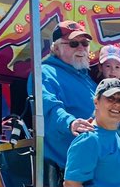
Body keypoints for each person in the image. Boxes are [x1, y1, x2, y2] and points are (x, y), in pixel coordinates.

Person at [35, 20, 96, 169]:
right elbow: (47, 107)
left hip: (96, 161)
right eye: (73, 44)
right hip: (68, 168)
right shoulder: (44, 72)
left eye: (85, 43)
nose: (81, 48)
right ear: (56, 48)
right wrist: (71, 123)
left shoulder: (89, 80)